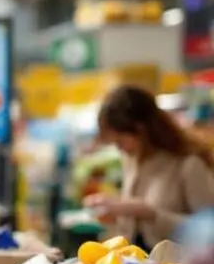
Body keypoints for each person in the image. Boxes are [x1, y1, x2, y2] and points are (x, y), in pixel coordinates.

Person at [85, 83, 214, 247]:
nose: (119, 149)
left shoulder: (188, 164)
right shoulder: (132, 160)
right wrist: (115, 215)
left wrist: (151, 213)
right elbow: (133, 231)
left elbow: (208, 230)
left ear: (141, 129)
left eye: (120, 141)